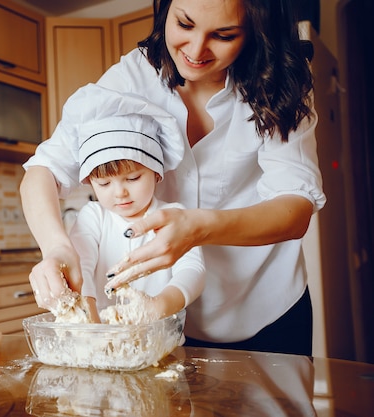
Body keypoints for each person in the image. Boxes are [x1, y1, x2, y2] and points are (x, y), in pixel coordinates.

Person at [21, 0, 325, 356]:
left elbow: (296, 207)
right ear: (165, 9)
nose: (196, 50)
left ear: (257, 32)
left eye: (224, 35)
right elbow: (42, 171)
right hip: (165, 326)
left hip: (267, 306)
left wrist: (201, 227)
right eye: (184, 24)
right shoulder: (130, 81)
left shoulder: (281, 82)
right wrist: (56, 246)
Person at [67, 86, 205, 322]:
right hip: (101, 337)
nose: (119, 192)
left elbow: (192, 271)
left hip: (160, 338)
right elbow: (82, 268)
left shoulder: (174, 215)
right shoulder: (93, 217)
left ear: (156, 173)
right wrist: (91, 324)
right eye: (104, 184)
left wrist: (158, 306)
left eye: (132, 178)